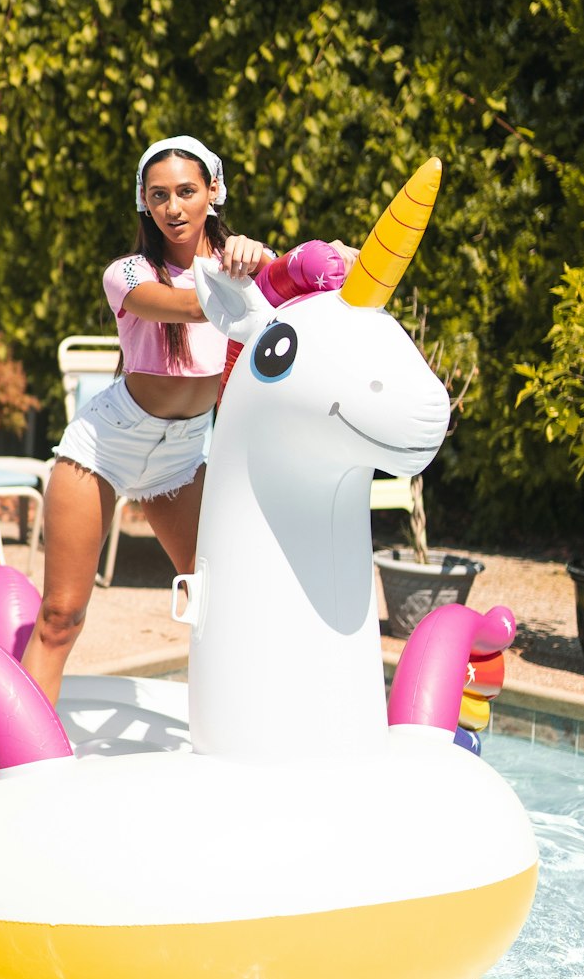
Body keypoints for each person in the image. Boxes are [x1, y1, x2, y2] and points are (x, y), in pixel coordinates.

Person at [20, 134, 352, 703]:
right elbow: (192, 304)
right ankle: (17, 749)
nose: (173, 207)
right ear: (144, 203)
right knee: (61, 615)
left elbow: (315, 301)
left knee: (220, 601)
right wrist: (266, 274)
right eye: (159, 195)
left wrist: (307, 262)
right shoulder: (126, 275)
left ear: (213, 192)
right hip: (105, 447)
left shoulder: (239, 265)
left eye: (187, 191)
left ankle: (240, 723)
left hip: (181, 455)